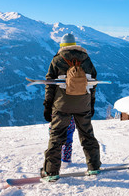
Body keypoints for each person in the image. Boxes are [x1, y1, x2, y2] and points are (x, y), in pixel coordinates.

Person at [41, 33, 101, 182]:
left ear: (62, 46)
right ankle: (94, 167)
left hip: (62, 105)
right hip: (83, 104)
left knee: (56, 137)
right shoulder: (87, 60)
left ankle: (51, 172)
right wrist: (91, 104)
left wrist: (48, 106)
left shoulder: (57, 60)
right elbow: (93, 84)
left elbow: (50, 85)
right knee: (87, 134)